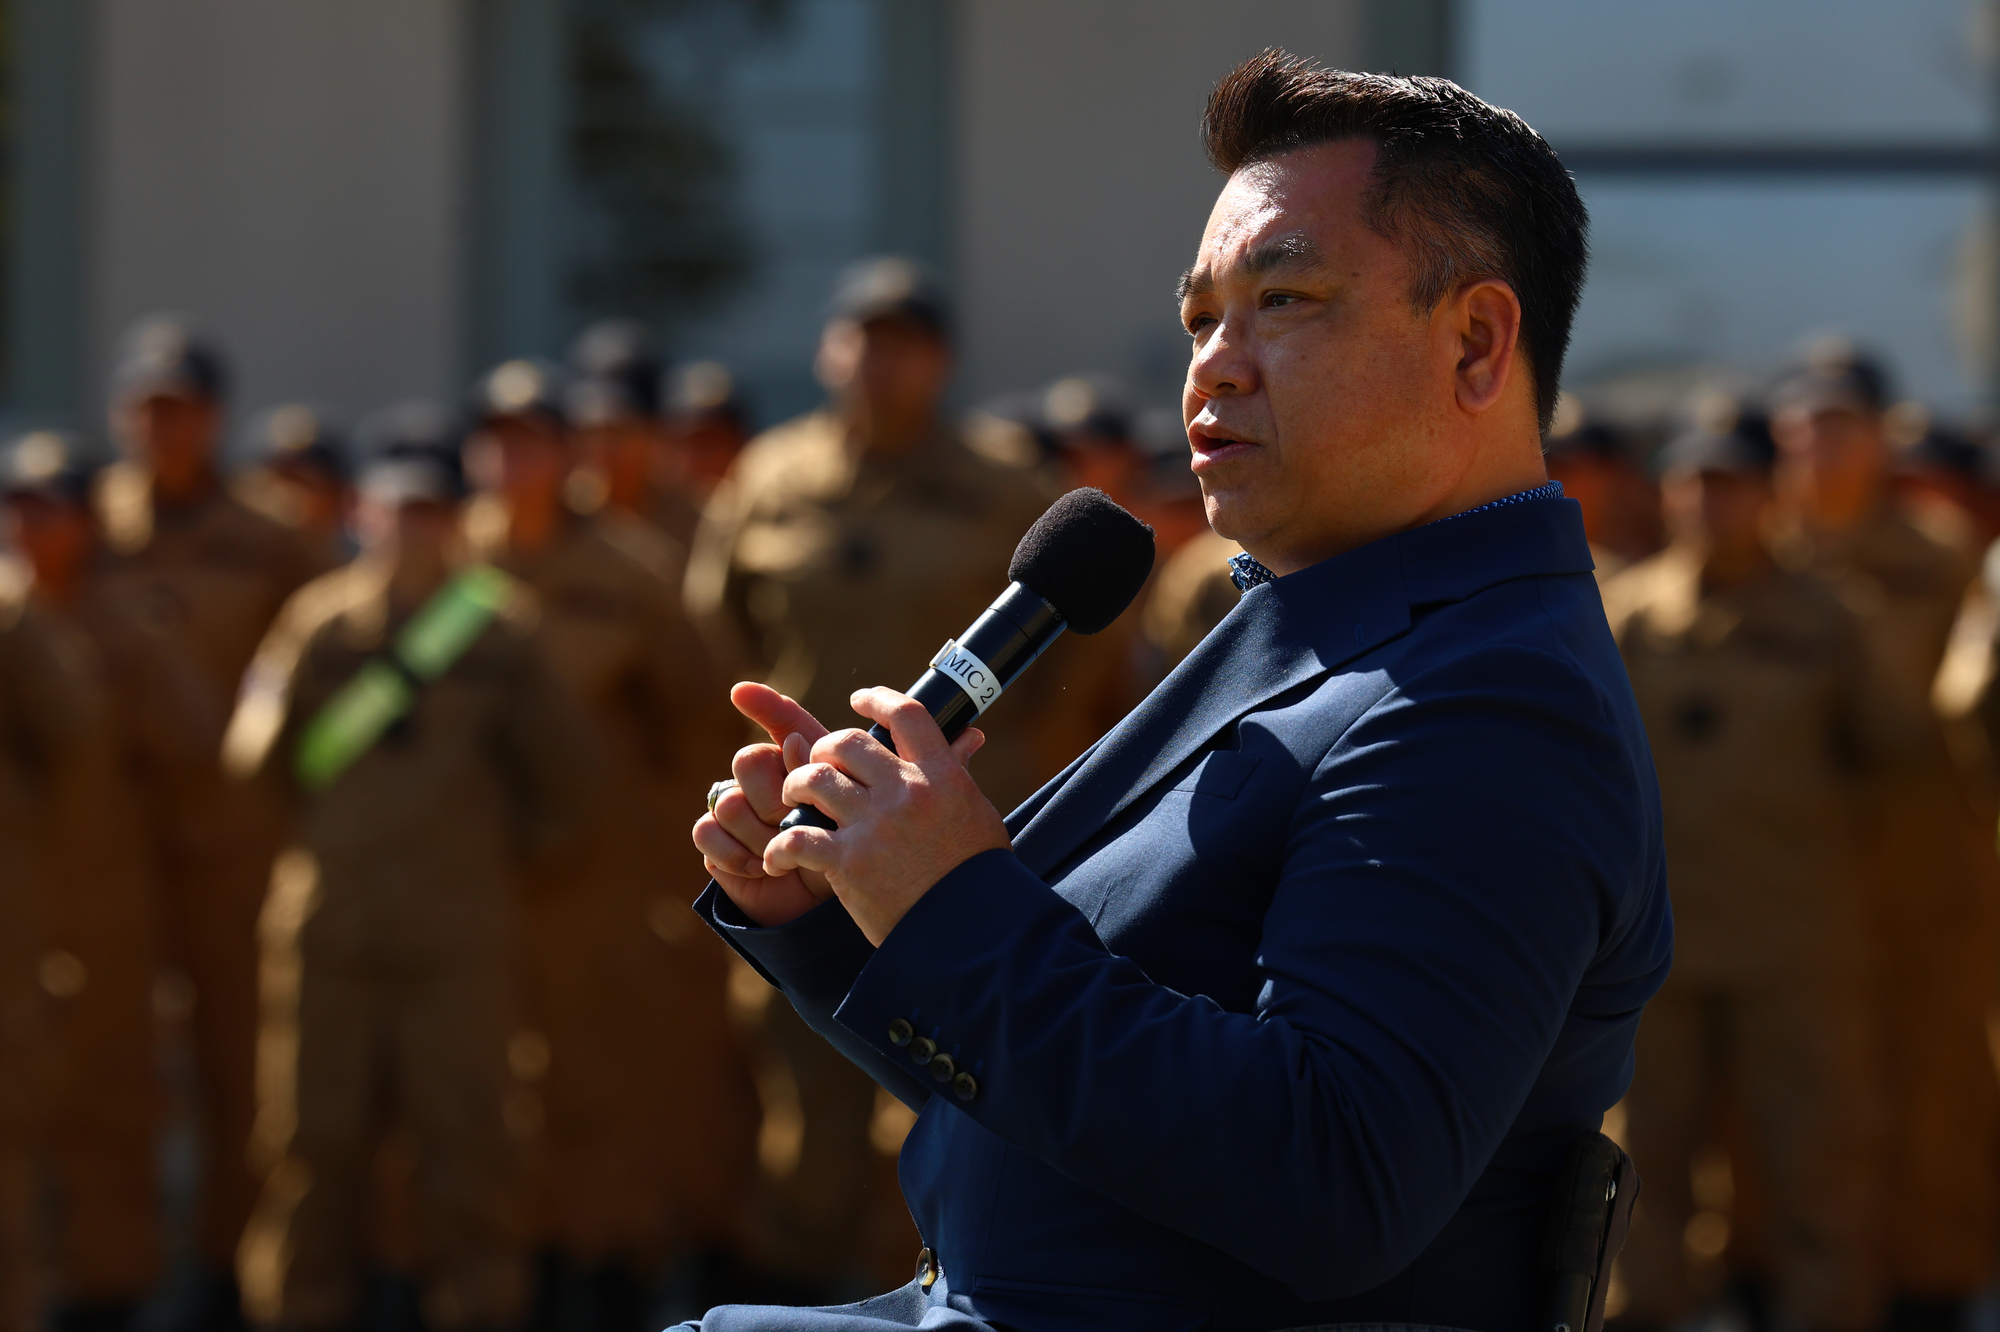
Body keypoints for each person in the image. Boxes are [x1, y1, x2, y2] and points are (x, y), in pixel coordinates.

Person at [688, 53, 1668, 1332]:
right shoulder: (1321, 622)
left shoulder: (1487, 701)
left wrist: (956, 905)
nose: (1214, 365)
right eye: (1200, 315)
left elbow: (1332, 1177)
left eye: (1283, 299)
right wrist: (849, 908)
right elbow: (1059, 1077)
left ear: (1476, 342)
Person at [684, 259, 1088, 1298]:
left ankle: (922, 1298)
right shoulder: (768, 477)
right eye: (862, 335)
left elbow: (1069, 652)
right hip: (802, 843)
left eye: (904, 338)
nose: (880, 358)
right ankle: (800, 1296)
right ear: (829, 350)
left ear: (939, 359)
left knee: (938, 1091)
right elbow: (715, 625)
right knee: (796, 1091)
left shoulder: (1000, 482)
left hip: (941, 842)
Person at [223, 409, 597, 1332]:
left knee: (470, 1143)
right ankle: (303, 1312)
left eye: (432, 510)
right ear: (362, 512)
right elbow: (255, 762)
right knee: (312, 1144)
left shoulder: (500, 632)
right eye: (396, 509)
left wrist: (479, 870)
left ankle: (479, 1309)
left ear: (456, 517)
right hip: (333, 930)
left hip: (457, 938)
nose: (412, 529)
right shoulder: (315, 624)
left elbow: (567, 783)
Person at [460, 360, 753, 1329]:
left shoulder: (627, 572)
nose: (511, 460)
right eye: (493, 441)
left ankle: (605, 1275)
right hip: (474, 871)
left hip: (599, 872)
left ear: (561, 454)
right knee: (487, 1079)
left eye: (529, 440)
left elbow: (694, 719)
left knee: (602, 1079)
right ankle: (513, 1272)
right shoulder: (456, 571)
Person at [1601, 421, 1901, 1332]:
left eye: (1729, 482)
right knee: (1641, 1164)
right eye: (1690, 480)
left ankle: (1825, 1314)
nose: (1707, 500)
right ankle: (1641, 1314)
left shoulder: (1834, 617)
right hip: (1658, 950)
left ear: (1768, 493)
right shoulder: (1624, 614)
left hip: (1794, 944)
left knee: (1816, 1164)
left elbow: (1897, 757)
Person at [91, 317, 329, 1329]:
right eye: (146, 408)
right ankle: (112, 1272)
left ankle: (229, 1274)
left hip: (238, 845)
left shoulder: (269, 535)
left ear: (214, 417)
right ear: (120, 417)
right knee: (114, 1062)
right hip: (109, 845)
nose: (163, 427)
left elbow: (323, 676)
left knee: (245, 1069)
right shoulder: (86, 520)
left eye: (180, 408)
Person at [1767, 346, 1998, 1332]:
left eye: (1840, 425)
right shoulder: (1753, 556)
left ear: (1877, 439)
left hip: (1926, 889)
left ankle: (1931, 1298)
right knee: (1791, 1118)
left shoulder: (1936, 557)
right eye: (1802, 426)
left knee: (1933, 1113)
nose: (1820, 445)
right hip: (1793, 891)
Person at [1, 433, 197, 1332]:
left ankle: (107, 1296)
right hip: (21, 909)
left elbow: (187, 756)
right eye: (18, 504)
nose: (29, 523)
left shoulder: (121, 627)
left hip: (108, 906)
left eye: (49, 505)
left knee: (109, 1114)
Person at [231, 405, 354, 567]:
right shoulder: (210, 572)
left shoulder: (358, 588)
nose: (288, 498)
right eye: (274, 482)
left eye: (303, 484)